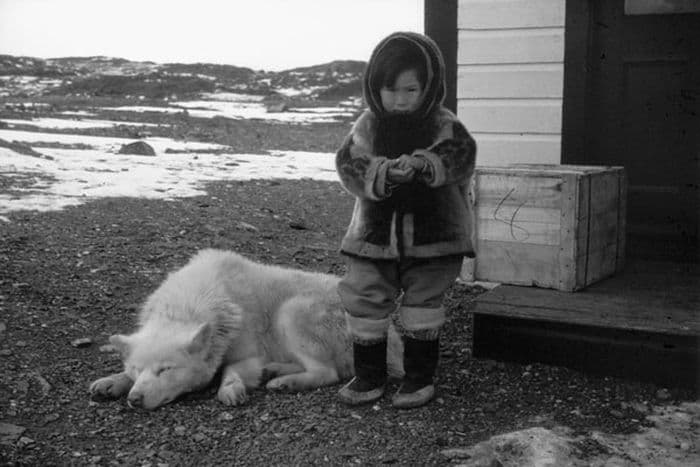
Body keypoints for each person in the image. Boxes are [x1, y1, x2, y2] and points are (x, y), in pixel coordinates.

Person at [335, 31, 477, 409]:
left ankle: (418, 377)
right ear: (374, 88)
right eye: (390, 90)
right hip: (373, 237)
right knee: (364, 295)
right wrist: (380, 172)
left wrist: (426, 163)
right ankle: (369, 374)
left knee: (423, 303)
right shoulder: (368, 125)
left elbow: (461, 154)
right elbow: (349, 164)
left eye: (411, 90)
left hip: (433, 237)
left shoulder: (444, 123)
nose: (400, 100)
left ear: (429, 87)